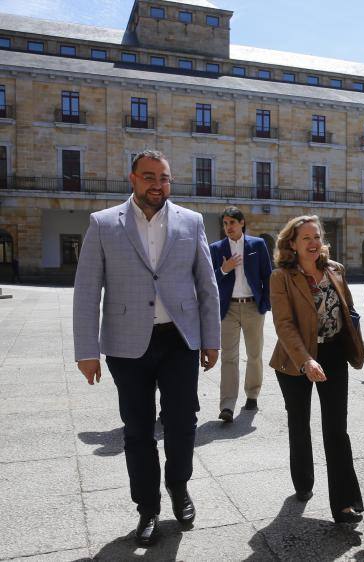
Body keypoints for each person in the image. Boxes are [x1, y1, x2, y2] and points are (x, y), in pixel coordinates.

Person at [73, 149, 220, 547]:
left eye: (165, 178)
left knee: (182, 422)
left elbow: (207, 284)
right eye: (150, 177)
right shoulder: (103, 224)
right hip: (126, 344)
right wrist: (86, 351)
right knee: (137, 430)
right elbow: (87, 291)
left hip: (179, 338)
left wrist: (211, 339)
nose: (159, 185)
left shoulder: (191, 221)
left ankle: (179, 487)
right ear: (133, 179)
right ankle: (147, 507)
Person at [269, 215, 364, 524]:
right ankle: (303, 481)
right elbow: (284, 324)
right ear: (292, 244)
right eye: (306, 238)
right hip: (295, 359)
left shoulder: (334, 270)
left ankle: (345, 503)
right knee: (300, 423)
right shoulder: (282, 277)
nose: (313, 243)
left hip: (333, 353)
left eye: (317, 237)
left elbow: (348, 308)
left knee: (337, 429)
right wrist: (306, 359)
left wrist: (353, 337)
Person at [209, 206, 272, 423]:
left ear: (242, 223)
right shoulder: (216, 249)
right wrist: (224, 268)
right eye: (225, 223)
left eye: (232, 223)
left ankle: (252, 395)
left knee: (254, 354)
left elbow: (267, 276)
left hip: (253, 307)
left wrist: (265, 303)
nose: (228, 227)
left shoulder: (257, 244)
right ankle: (227, 405)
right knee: (229, 357)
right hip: (228, 309)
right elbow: (210, 281)